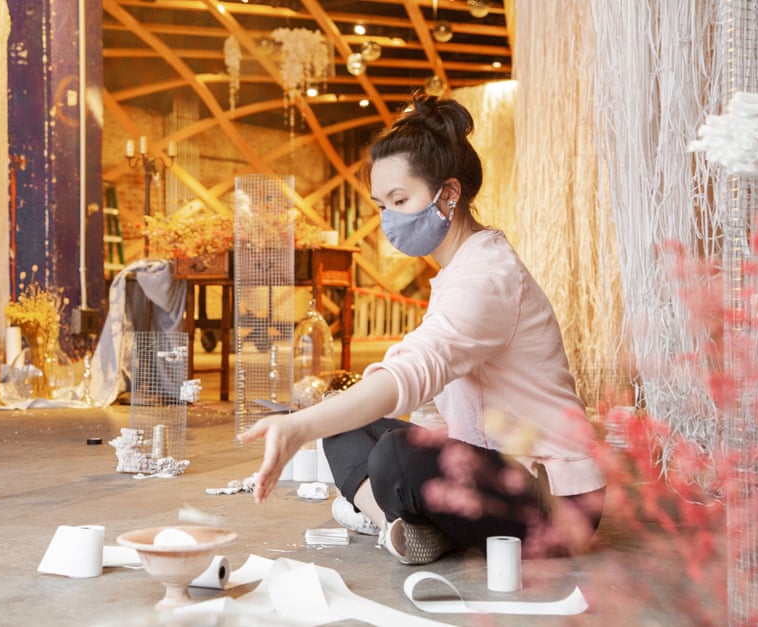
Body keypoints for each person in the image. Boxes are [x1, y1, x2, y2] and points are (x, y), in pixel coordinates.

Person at [239, 92, 606, 565]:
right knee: (349, 422)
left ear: (448, 194)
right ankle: (399, 526)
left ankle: (408, 520)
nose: (390, 219)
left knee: (396, 456)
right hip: (491, 466)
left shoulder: (487, 277)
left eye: (399, 200)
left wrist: (296, 427)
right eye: (381, 205)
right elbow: (444, 404)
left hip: (554, 501)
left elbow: (415, 373)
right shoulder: (457, 269)